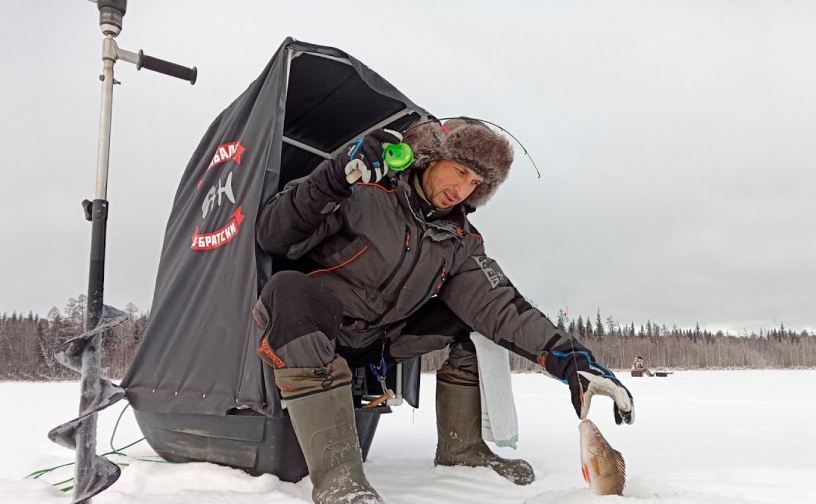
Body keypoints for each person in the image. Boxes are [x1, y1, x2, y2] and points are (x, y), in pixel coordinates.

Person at [252, 118, 635, 504]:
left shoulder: (460, 241)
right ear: (430, 158)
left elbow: (502, 307)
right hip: (318, 329)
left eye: (476, 183)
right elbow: (273, 234)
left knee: (478, 324)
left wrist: (572, 360)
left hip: (379, 344)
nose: (464, 189)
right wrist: (332, 180)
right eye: (462, 171)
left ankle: (462, 450)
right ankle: (339, 478)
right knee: (288, 290)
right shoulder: (364, 194)